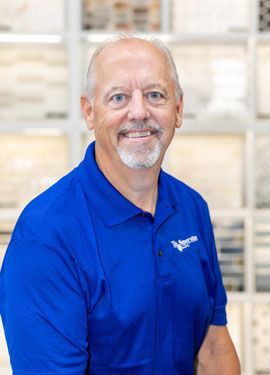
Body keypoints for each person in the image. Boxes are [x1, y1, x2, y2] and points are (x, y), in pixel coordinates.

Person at [0, 35, 240, 374]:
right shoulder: (45, 238)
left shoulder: (191, 208)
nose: (139, 112)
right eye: (119, 97)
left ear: (178, 109)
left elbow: (213, 347)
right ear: (89, 111)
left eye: (155, 94)